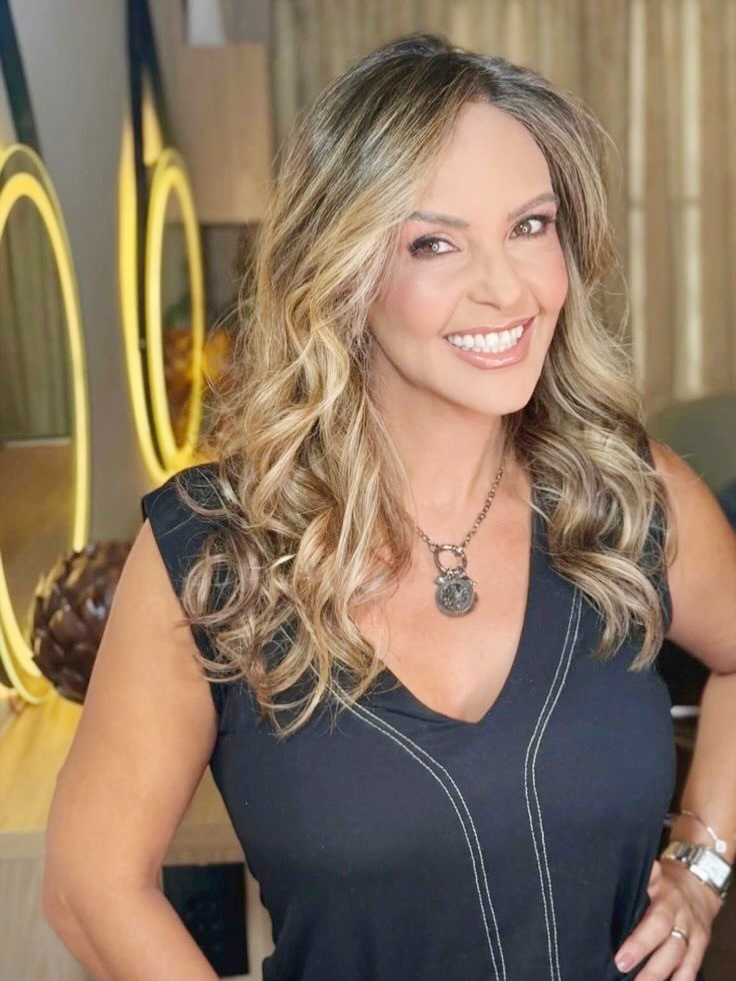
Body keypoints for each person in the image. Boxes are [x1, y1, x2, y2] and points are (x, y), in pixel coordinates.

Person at [42, 33, 736, 981]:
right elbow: (90, 883)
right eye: (434, 242)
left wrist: (702, 862)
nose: (507, 287)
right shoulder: (215, 553)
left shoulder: (624, 492)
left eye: (531, 226)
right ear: (343, 269)